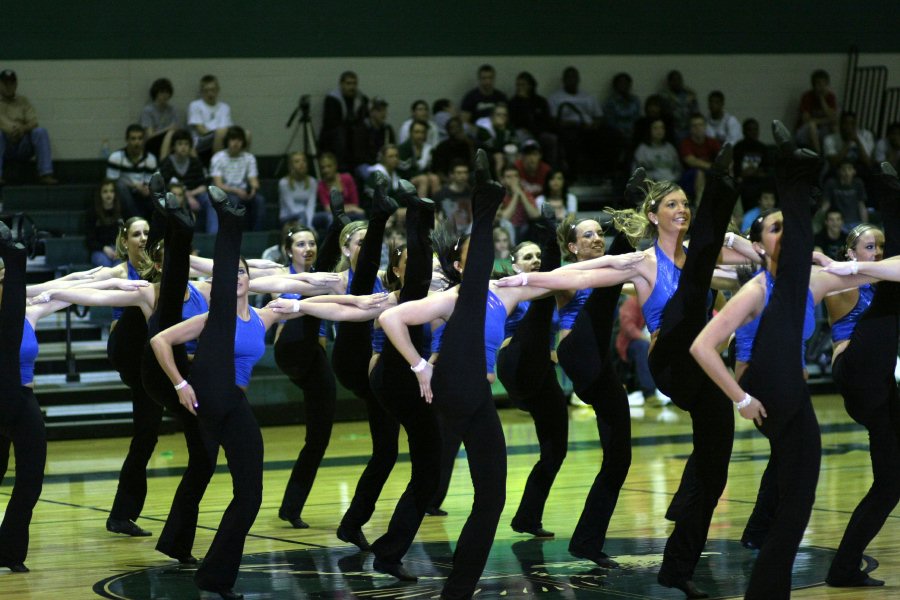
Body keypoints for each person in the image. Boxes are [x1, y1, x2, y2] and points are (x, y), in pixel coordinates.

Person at [499, 145, 755, 598]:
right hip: (665, 357)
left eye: (685, 203)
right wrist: (524, 279)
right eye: (672, 203)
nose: (681, 209)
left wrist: (748, 248)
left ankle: (677, 566)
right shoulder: (642, 261)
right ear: (654, 216)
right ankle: (721, 181)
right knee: (689, 283)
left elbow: (752, 264)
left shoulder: (701, 258)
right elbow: (581, 275)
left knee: (713, 471)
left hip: (704, 370)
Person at [689, 134, 900, 598]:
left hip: (806, 391)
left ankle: (777, 578)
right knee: (793, 498)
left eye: (792, 226)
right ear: (759, 243)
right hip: (777, 385)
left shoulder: (821, 280)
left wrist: (847, 268)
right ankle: (796, 174)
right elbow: (703, 342)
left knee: (808, 499)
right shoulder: (756, 287)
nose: (786, 235)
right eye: (775, 229)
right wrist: (740, 399)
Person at [150, 194, 281, 599]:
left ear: (250, 280)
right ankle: (228, 222)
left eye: (243, 273)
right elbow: (159, 340)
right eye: (233, 272)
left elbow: (318, 296)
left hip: (232, 401)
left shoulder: (265, 314)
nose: (238, 277)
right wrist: (179, 383)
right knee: (221, 315)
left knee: (250, 495)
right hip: (208, 386)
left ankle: (214, 575)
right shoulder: (212, 315)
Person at [822, 165, 900, 588]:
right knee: (890, 296)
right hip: (852, 373)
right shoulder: (840, 280)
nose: (878, 252)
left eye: (882, 246)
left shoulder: (884, 278)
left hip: (880, 387)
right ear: (851, 253)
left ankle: (843, 568)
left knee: (890, 484)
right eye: (871, 246)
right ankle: (891, 195)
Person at [0, 69, 56, 185]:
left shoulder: (23, 101)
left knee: (40, 132)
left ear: (16, 85)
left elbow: (34, 122)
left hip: (22, 143)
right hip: (5, 144)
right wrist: (10, 128)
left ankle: (45, 174)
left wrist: (22, 129)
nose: (9, 87)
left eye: (12, 84)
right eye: (6, 84)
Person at [210, 126, 265, 231]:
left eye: (239, 140)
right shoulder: (218, 157)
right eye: (233, 139)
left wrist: (253, 190)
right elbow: (218, 184)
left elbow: (254, 181)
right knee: (234, 200)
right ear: (227, 141)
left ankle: (257, 233)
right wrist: (236, 191)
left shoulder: (249, 158)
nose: (236, 143)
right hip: (226, 192)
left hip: (243, 191)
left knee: (260, 201)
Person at [158, 129, 214, 232]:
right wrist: (186, 196)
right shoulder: (166, 163)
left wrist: (190, 194)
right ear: (173, 147)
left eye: (186, 144)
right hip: (174, 195)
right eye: (180, 144)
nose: (183, 147)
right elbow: (165, 186)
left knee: (210, 199)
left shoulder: (195, 163)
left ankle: (213, 235)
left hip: (194, 194)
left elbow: (204, 185)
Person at [106, 124, 158, 219]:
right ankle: (137, 220)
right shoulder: (116, 157)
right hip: (123, 194)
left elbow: (149, 182)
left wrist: (146, 189)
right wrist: (134, 186)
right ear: (127, 140)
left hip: (142, 194)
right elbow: (111, 183)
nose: (137, 142)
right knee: (120, 187)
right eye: (133, 139)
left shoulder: (150, 159)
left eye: (140, 138)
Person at [320, 71, 368, 170]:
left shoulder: (361, 99)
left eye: (354, 83)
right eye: (348, 83)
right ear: (341, 84)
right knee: (340, 133)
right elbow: (331, 123)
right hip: (335, 138)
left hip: (353, 137)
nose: (352, 87)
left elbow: (362, 119)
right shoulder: (332, 99)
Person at [508, 71, 557, 165]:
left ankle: (550, 168)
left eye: (523, 85)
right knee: (523, 136)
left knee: (551, 139)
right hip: (522, 132)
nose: (519, 88)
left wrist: (537, 130)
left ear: (530, 86)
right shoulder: (513, 103)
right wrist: (523, 102)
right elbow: (515, 122)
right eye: (518, 85)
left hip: (539, 131)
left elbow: (546, 120)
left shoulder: (540, 101)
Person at [733, 118, 774, 213]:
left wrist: (751, 171)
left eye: (755, 129)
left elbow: (766, 170)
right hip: (743, 184)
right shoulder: (738, 148)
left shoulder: (763, 148)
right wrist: (754, 171)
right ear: (744, 131)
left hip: (759, 183)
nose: (753, 132)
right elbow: (738, 172)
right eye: (749, 130)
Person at [187, 74, 233, 157]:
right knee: (220, 133)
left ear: (218, 90)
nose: (210, 93)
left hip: (221, 136)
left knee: (246, 135)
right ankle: (217, 164)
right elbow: (200, 129)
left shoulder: (225, 107)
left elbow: (227, 128)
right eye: (206, 91)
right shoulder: (195, 105)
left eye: (212, 90)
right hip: (200, 140)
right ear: (201, 91)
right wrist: (218, 136)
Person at [679, 114, 721, 201]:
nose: (698, 128)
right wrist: (713, 167)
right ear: (690, 128)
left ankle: (737, 213)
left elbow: (723, 157)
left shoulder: (712, 142)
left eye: (700, 125)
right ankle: (700, 207)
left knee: (728, 176)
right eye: (694, 126)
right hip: (690, 177)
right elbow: (691, 161)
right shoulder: (685, 143)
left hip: (711, 173)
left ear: (705, 126)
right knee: (699, 172)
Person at [352, 97, 396, 180]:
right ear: (371, 112)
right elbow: (359, 155)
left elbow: (393, 148)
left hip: (385, 164)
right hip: (366, 164)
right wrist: (377, 164)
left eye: (384, 110)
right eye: (379, 110)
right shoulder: (362, 129)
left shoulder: (387, 130)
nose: (383, 113)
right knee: (376, 177)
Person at [795, 69, 838, 154]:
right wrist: (825, 120)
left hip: (822, 130)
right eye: (818, 84)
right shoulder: (807, 97)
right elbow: (806, 120)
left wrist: (822, 100)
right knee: (812, 126)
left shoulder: (830, 97)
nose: (821, 87)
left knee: (834, 126)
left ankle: (834, 153)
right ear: (813, 85)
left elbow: (833, 119)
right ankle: (818, 155)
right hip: (804, 132)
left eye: (824, 84)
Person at [85, 179, 124, 268]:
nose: (108, 194)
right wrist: (104, 248)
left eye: (111, 191)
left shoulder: (122, 210)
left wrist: (121, 249)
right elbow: (90, 240)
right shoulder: (92, 213)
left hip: (119, 250)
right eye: (105, 192)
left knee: (119, 268)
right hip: (100, 250)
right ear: (100, 194)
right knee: (106, 266)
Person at [824, 111, 875, 176]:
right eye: (846, 123)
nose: (849, 127)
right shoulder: (829, 139)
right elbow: (834, 162)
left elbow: (868, 163)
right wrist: (848, 142)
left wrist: (857, 141)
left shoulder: (865, 137)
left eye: (852, 124)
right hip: (838, 171)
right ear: (840, 125)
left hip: (858, 171)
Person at [140, 78, 181, 160]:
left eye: (167, 92)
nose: (165, 95)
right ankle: (163, 163)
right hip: (153, 143)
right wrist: (167, 129)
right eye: (162, 92)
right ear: (156, 94)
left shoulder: (172, 110)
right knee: (170, 133)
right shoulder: (148, 111)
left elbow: (176, 129)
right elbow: (150, 135)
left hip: (170, 142)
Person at [397, 120, 440, 197]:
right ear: (411, 133)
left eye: (422, 132)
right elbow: (403, 172)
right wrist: (422, 174)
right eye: (417, 132)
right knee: (423, 179)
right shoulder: (404, 148)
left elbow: (429, 168)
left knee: (434, 178)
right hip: (404, 180)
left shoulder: (428, 149)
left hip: (420, 177)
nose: (420, 135)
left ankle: (437, 207)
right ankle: (421, 208)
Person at [498, 165, 539, 244]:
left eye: (515, 176)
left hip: (524, 230)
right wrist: (516, 195)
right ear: (502, 180)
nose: (513, 180)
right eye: (509, 177)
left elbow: (535, 215)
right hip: (506, 231)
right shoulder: (498, 195)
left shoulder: (526, 194)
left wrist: (521, 194)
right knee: (507, 225)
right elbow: (504, 218)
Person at [278, 151, 320, 228]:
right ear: (290, 166)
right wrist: (307, 227)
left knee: (328, 217)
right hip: (288, 217)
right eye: (297, 161)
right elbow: (291, 207)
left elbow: (311, 205)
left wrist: (309, 225)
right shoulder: (283, 183)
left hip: (307, 216)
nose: (301, 163)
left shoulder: (312, 181)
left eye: (304, 160)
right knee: (301, 215)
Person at [820, 161, 868, 227]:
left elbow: (861, 206)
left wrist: (865, 225)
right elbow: (826, 204)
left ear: (854, 171)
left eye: (849, 169)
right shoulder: (831, 183)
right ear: (839, 171)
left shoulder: (858, 183)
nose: (847, 172)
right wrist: (818, 221)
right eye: (843, 169)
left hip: (856, 222)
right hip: (838, 223)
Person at [317, 152, 365, 219]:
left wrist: (352, 209)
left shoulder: (347, 178)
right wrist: (351, 208)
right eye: (323, 167)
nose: (326, 170)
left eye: (329, 166)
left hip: (351, 214)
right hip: (333, 216)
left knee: (361, 214)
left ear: (335, 165)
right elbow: (328, 208)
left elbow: (355, 203)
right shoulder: (321, 185)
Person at [634, 118, 682, 183]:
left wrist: (674, 180)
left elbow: (678, 169)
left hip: (671, 185)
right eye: (655, 128)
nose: (659, 131)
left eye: (662, 128)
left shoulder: (670, 148)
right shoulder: (642, 150)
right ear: (649, 130)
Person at [433, 160, 473, 235]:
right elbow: (434, 215)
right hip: (447, 235)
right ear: (451, 175)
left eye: (465, 172)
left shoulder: (473, 194)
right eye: (459, 173)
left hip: (469, 234)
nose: (463, 175)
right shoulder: (440, 195)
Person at [602, 72, 641, 146]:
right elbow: (610, 122)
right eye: (620, 83)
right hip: (616, 134)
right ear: (615, 86)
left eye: (626, 83)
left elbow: (637, 118)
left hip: (634, 133)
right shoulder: (610, 102)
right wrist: (622, 133)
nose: (623, 85)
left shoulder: (635, 100)